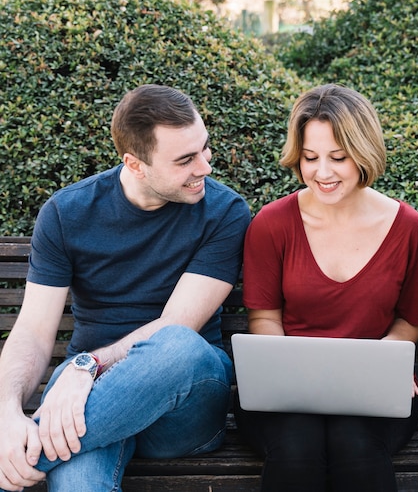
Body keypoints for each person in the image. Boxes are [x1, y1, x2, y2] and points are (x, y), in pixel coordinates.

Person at [0, 84, 251, 492]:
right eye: (185, 159)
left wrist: (87, 367)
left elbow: (178, 324)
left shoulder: (224, 213)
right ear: (135, 164)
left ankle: (23, 455)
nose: (205, 167)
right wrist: (7, 415)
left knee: (177, 345)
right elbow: (31, 330)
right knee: (79, 482)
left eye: (205, 148)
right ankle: (27, 445)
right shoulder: (67, 213)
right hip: (88, 400)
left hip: (183, 404)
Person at [234, 83, 418, 492]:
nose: (322, 173)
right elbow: (264, 317)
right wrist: (288, 376)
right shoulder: (272, 224)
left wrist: (390, 359)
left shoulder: (408, 228)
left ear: (364, 153)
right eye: (310, 158)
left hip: (373, 397)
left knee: (355, 445)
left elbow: (410, 319)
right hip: (284, 396)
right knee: (296, 447)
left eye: (338, 158)